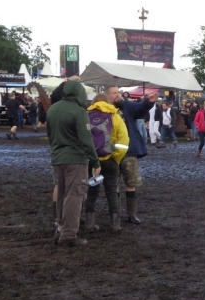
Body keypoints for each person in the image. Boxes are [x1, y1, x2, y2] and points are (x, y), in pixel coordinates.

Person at [47, 81, 100, 247]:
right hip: (76, 159)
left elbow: (50, 136)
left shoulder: (53, 109)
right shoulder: (78, 111)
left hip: (58, 158)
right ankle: (69, 234)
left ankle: (60, 230)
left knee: (62, 195)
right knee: (75, 195)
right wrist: (95, 160)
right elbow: (86, 139)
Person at [107, 86, 158, 224]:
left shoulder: (126, 106)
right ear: (107, 95)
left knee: (131, 182)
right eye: (114, 93)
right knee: (113, 184)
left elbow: (140, 108)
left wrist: (149, 102)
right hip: (109, 153)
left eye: (118, 92)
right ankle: (115, 214)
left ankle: (132, 215)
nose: (118, 95)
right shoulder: (103, 109)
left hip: (129, 151)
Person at [83, 93, 129, 234]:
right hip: (110, 160)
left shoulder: (86, 115)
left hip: (92, 161)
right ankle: (115, 224)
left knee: (92, 191)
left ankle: (89, 223)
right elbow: (124, 140)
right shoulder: (115, 115)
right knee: (112, 191)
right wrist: (116, 158)